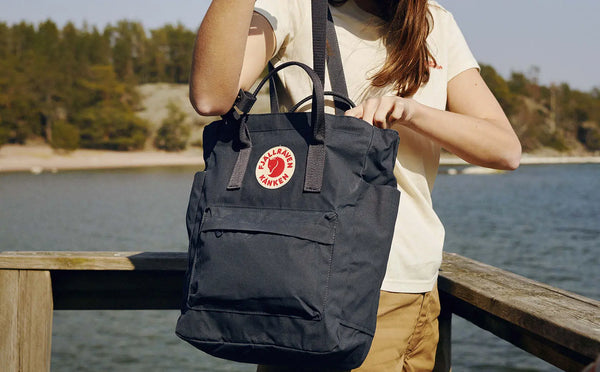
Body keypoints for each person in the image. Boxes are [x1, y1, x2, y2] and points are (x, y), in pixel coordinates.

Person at [189, 0, 522, 370]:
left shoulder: (434, 22)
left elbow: (505, 149)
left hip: (416, 287)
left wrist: (412, 112)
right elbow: (210, 96)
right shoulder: (294, 5)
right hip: (324, 286)